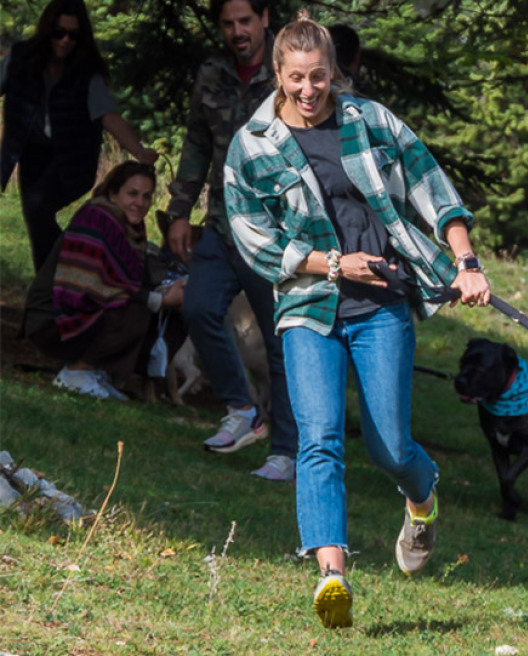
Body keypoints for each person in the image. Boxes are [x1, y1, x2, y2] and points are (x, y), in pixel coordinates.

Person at [224, 10, 491, 630]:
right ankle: (332, 576)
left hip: (382, 307)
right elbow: (253, 240)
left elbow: (432, 185)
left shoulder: (369, 121)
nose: (308, 91)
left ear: (333, 72)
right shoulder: (253, 146)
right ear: (278, 73)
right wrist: (335, 264)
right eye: (296, 79)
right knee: (318, 440)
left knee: (390, 445)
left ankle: (421, 500)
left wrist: (466, 260)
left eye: (319, 77)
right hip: (307, 307)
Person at [158, 0, 298, 481]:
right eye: (228, 23)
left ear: (264, 20)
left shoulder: (290, 72)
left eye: (245, 21)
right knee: (197, 306)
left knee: (279, 341)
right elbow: (197, 141)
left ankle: (286, 451)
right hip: (221, 222)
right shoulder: (213, 73)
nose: (237, 31)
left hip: (275, 231)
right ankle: (242, 409)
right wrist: (179, 212)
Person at [0, 0, 158, 272]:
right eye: (58, 33)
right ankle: (52, 286)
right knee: (36, 218)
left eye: (73, 35)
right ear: (47, 30)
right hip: (32, 154)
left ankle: (73, 265)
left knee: (38, 209)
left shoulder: (87, 73)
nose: (65, 41)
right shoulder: (20, 58)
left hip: (73, 160)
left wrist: (139, 151)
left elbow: (108, 116)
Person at [23, 161, 184, 400]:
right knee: (136, 314)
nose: (139, 203)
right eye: (132, 194)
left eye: (146, 197)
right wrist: (158, 299)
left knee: (174, 316)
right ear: (112, 193)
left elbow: (125, 279)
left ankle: (96, 372)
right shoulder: (96, 218)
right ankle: (77, 372)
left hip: (81, 310)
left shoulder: (130, 227)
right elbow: (96, 286)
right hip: (51, 315)